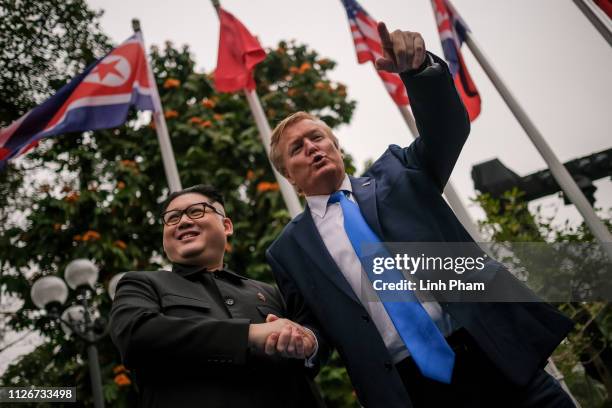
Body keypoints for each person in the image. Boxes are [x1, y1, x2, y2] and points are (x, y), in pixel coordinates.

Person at [265, 22, 575, 408]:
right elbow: (314, 326)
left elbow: (447, 129)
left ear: (336, 146)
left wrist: (419, 72)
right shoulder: (289, 250)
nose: (312, 148)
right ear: (290, 178)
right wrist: (303, 339)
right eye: (297, 148)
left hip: (495, 354)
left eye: (318, 137)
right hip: (411, 389)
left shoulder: (398, 171)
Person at [110, 184, 326, 408]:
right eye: (172, 218)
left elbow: (314, 343)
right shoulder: (142, 283)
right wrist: (249, 334)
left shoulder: (270, 292)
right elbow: (136, 337)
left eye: (196, 211)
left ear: (227, 226)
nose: (183, 222)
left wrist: (307, 343)